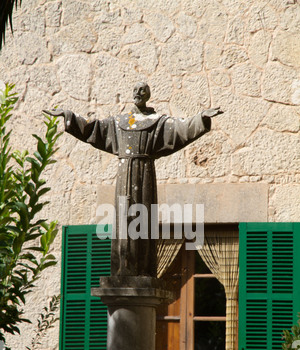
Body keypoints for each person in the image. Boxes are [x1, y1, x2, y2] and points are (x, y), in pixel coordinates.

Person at [44, 82, 223, 277]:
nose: (138, 93)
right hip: (123, 178)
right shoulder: (118, 123)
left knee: (143, 220)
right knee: (123, 218)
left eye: (142, 90)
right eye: (135, 90)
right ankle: (122, 268)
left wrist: (201, 118)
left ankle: (143, 269)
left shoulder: (158, 122)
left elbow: (181, 129)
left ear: (148, 95)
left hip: (145, 175)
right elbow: (91, 128)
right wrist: (67, 115)